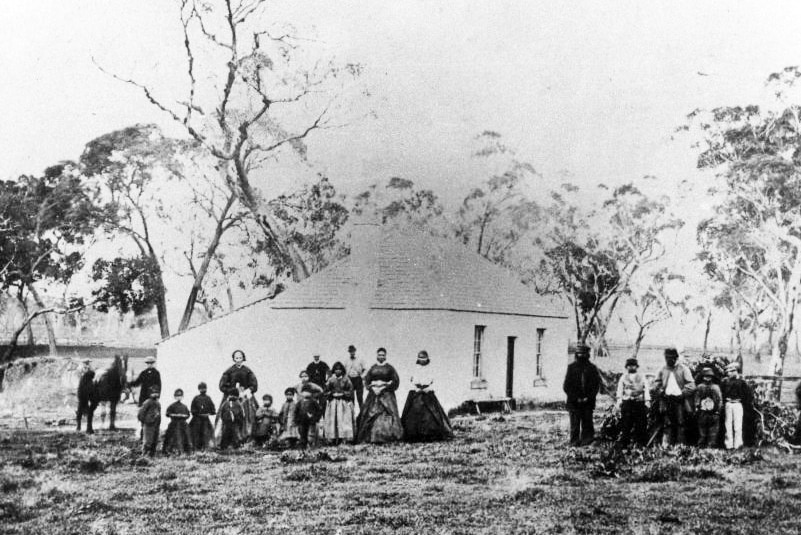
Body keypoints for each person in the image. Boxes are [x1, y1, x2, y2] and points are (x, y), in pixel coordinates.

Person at [401, 350, 453, 442]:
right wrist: (416, 388)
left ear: (427, 359)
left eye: (424, 358)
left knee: (432, 413)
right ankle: (413, 435)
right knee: (412, 412)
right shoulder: (414, 368)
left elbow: (435, 381)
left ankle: (430, 434)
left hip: (427, 393)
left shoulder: (431, 369)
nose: (422, 360)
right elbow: (410, 381)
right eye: (420, 358)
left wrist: (428, 388)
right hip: (416, 393)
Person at [356, 347, 403, 444]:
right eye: (379, 355)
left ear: (385, 356)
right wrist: (372, 388)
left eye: (383, 355)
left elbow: (396, 381)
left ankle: (389, 437)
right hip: (374, 393)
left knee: (389, 412)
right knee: (369, 413)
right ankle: (369, 437)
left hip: (386, 394)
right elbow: (367, 380)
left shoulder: (390, 368)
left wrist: (385, 387)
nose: (381, 356)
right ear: (376, 356)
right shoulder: (373, 368)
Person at [652, 347, 696, 447]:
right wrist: (661, 392)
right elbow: (656, 384)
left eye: (672, 357)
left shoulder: (683, 369)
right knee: (667, 423)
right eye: (667, 357)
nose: (669, 359)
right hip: (666, 400)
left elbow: (692, 385)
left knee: (680, 422)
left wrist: (682, 393)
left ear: (676, 358)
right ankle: (666, 445)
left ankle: (680, 445)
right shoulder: (662, 369)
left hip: (679, 400)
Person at [562, 345, 601, 447]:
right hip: (574, 402)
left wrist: (588, 397)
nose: (581, 355)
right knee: (574, 424)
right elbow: (566, 386)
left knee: (587, 423)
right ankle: (574, 442)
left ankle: (587, 441)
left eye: (583, 354)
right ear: (576, 355)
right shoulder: (571, 368)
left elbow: (596, 385)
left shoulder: (592, 368)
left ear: (587, 355)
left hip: (588, 402)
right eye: (579, 353)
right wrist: (576, 398)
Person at [217, 350, 258, 442]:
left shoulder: (248, 371)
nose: (238, 360)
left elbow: (254, 385)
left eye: (240, 358)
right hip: (231, 397)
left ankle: (247, 438)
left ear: (243, 358)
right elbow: (222, 386)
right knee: (226, 415)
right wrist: (231, 390)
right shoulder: (229, 371)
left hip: (245, 397)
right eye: (236, 358)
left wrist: (248, 390)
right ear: (233, 359)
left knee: (249, 415)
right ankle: (225, 440)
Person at [614, 358, 650, 448]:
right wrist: (619, 400)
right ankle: (625, 443)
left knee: (641, 423)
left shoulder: (642, 377)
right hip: (627, 403)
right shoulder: (623, 377)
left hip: (639, 403)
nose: (631, 367)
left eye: (633, 365)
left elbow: (646, 389)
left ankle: (641, 443)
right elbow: (620, 390)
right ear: (627, 367)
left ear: (636, 367)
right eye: (629, 365)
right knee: (626, 423)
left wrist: (647, 401)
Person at [322, 361, 355, 445]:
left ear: (342, 370)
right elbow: (325, 391)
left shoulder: (346, 379)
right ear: (333, 370)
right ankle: (332, 439)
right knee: (333, 420)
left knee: (342, 420)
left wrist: (343, 394)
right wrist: (332, 394)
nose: (338, 371)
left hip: (343, 403)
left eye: (339, 369)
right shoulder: (331, 380)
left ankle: (343, 439)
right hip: (333, 403)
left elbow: (351, 390)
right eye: (336, 369)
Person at [722, 363, 750, 450]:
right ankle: (729, 445)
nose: (729, 373)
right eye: (729, 372)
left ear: (736, 372)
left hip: (738, 404)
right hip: (728, 404)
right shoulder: (725, 382)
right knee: (728, 425)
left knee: (738, 425)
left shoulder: (742, 382)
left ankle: (738, 444)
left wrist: (744, 403)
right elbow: (723, 393)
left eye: (732, 371)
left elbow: (746, 395)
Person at [695, 367, 722, 448]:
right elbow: (697, 398)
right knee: (702, 432)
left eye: (709, 376)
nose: (707, 378)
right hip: (703, 412)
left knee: (713, 431)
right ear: (702, 377)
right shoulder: (700, 387)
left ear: (712, 377)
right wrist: (697, 408)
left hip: (713, 413)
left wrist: (718, 411)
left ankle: (711, 446)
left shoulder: (716, 387)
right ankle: (701, 447)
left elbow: (720, 399)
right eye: (705, 376)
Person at [163, 388, 192, 455]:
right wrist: (174, 415)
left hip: (183, 424)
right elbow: (167, 414)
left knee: (186, 437)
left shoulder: (184, 406)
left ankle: (185, 451)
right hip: (174, 423)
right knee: (172, 437)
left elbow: (188, 415)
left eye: (180, 396)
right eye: (177, 396)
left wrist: (183, 416)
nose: (179, 397)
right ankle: (170, 451)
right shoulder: (172, 406)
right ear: (174, 397)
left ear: (182, 397)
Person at [294, 384, 323, 449]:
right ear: (301, 393)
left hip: (311, 421)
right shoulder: (299, 403)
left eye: (308, 392)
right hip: (302, 421)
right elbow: (296, 412)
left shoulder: (313, 402)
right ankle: (303, 448)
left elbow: (319, 411)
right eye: (304, 391)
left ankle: (311, 447)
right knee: (302, 435)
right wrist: (297, 420)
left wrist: (315, 418)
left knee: (311, 435)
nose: (306, 393)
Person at [189, 382, 216, 451]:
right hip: (197, 420)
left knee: (206, 434)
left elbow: (213, 410)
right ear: (199, 389)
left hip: (205, 420)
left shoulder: (208, 398)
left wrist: (208, 413)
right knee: (195, 433)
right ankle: (195, 448)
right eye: (201, 388)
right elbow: (192, 410)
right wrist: (197, 413)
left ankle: (205, 448)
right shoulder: (196, 398)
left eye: (204, 388)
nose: (203, 390)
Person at [137, 386, 161, 457]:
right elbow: (141, 413)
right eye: (153, 393)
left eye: (156, 393)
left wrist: (158, 422)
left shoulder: (158, 403)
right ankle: (144, 455)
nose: (155, 395)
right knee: (147, 440)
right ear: (149, 394)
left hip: (155, 424)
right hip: (148, 425)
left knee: (154, 440)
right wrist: (144, 421)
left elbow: (159, 414)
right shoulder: (147, 402)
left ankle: (152, 455)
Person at [76, 359, 95, 434]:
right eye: (86, 362)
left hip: (87, 392)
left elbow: (93, 374)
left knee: (86, 410)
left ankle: (86, 426)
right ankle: (79, 426)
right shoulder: (81, 369)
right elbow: (79, 375)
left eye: (88, 362)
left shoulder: (89, 369)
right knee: (81, 409)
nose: (87, 364)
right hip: (83, 393)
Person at [345, 345, 366, 409]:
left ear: (355, 351)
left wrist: (362, 377)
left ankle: (362, 416)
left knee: (360, 398)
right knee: (351, 398)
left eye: (353, 351)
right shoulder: (346, 361)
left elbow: (365, 369)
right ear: (349, 352)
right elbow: (344, 371)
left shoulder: (360, 360)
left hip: (358, 379)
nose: (352, 353)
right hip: (350, 379)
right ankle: (352, 416)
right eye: (350, 351)